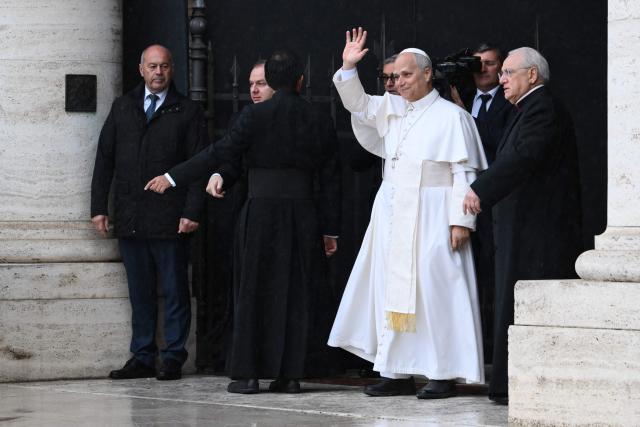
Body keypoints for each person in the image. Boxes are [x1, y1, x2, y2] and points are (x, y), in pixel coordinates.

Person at [145, 49, 341, 394]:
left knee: (253, 291)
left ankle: (249, 374)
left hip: (262, 213)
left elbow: (217, 153)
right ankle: (290, 375)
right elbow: (331, 177)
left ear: (274, 81)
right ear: (300, 81)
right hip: (303, 214)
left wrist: (173, 176)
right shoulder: (319, 119)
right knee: (296, 295)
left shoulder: (255, 116)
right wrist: (329, 228)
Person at [329, 27, 487, 399]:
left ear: (428, 73)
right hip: (393, 212)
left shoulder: (452, 117)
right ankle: (396, 371)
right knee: (389, 289)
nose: (398, 83)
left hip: (434, 212)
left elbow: (463, 174)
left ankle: (442, 371)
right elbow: (359, 105)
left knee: (435, 291)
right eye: (394, 76)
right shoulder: (393, 110)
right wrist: (348, 68)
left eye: (406, 75)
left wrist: (461, 221)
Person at [463, 47, 583, 405]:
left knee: (526, 306)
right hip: (522, 227)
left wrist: (480, 188)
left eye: (508, 73)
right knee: (511, 305)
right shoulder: (526, 108)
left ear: (532, 75)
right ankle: (507, 384)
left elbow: (523, 157)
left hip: (538, 230)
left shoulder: (542, 108)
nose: (500, 80)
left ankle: (516, 383)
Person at [90, 44, 207, 381]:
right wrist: (99, 207)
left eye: (165, 66)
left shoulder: (187, 111)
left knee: (174, 289)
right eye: (153, 66)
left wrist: (192, 211)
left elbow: (198, 165)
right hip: (131, 216)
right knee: (140, 293)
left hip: (171, 219)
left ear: (172, 70)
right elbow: (105, 159)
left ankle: (172, 356)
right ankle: (142, 356)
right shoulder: (123, 107)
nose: (158, 73)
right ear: (141, 69)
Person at [201, 60, 275, 373]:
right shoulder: (244, 118)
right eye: (251, 84)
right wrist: (220, 174)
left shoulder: (288, 118)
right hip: (246, 210)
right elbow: (231, 159)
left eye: (261, 83)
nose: (255, 90)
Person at [452, 43, 516, 364]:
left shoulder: (509, 100)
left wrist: (461, 116)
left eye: (490, 64)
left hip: (493, 197)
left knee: (491, 272)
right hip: (462, 198)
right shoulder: (462, 96)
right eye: (478, 64)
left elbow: (493, 141)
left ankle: (493, 345)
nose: (483, 70)